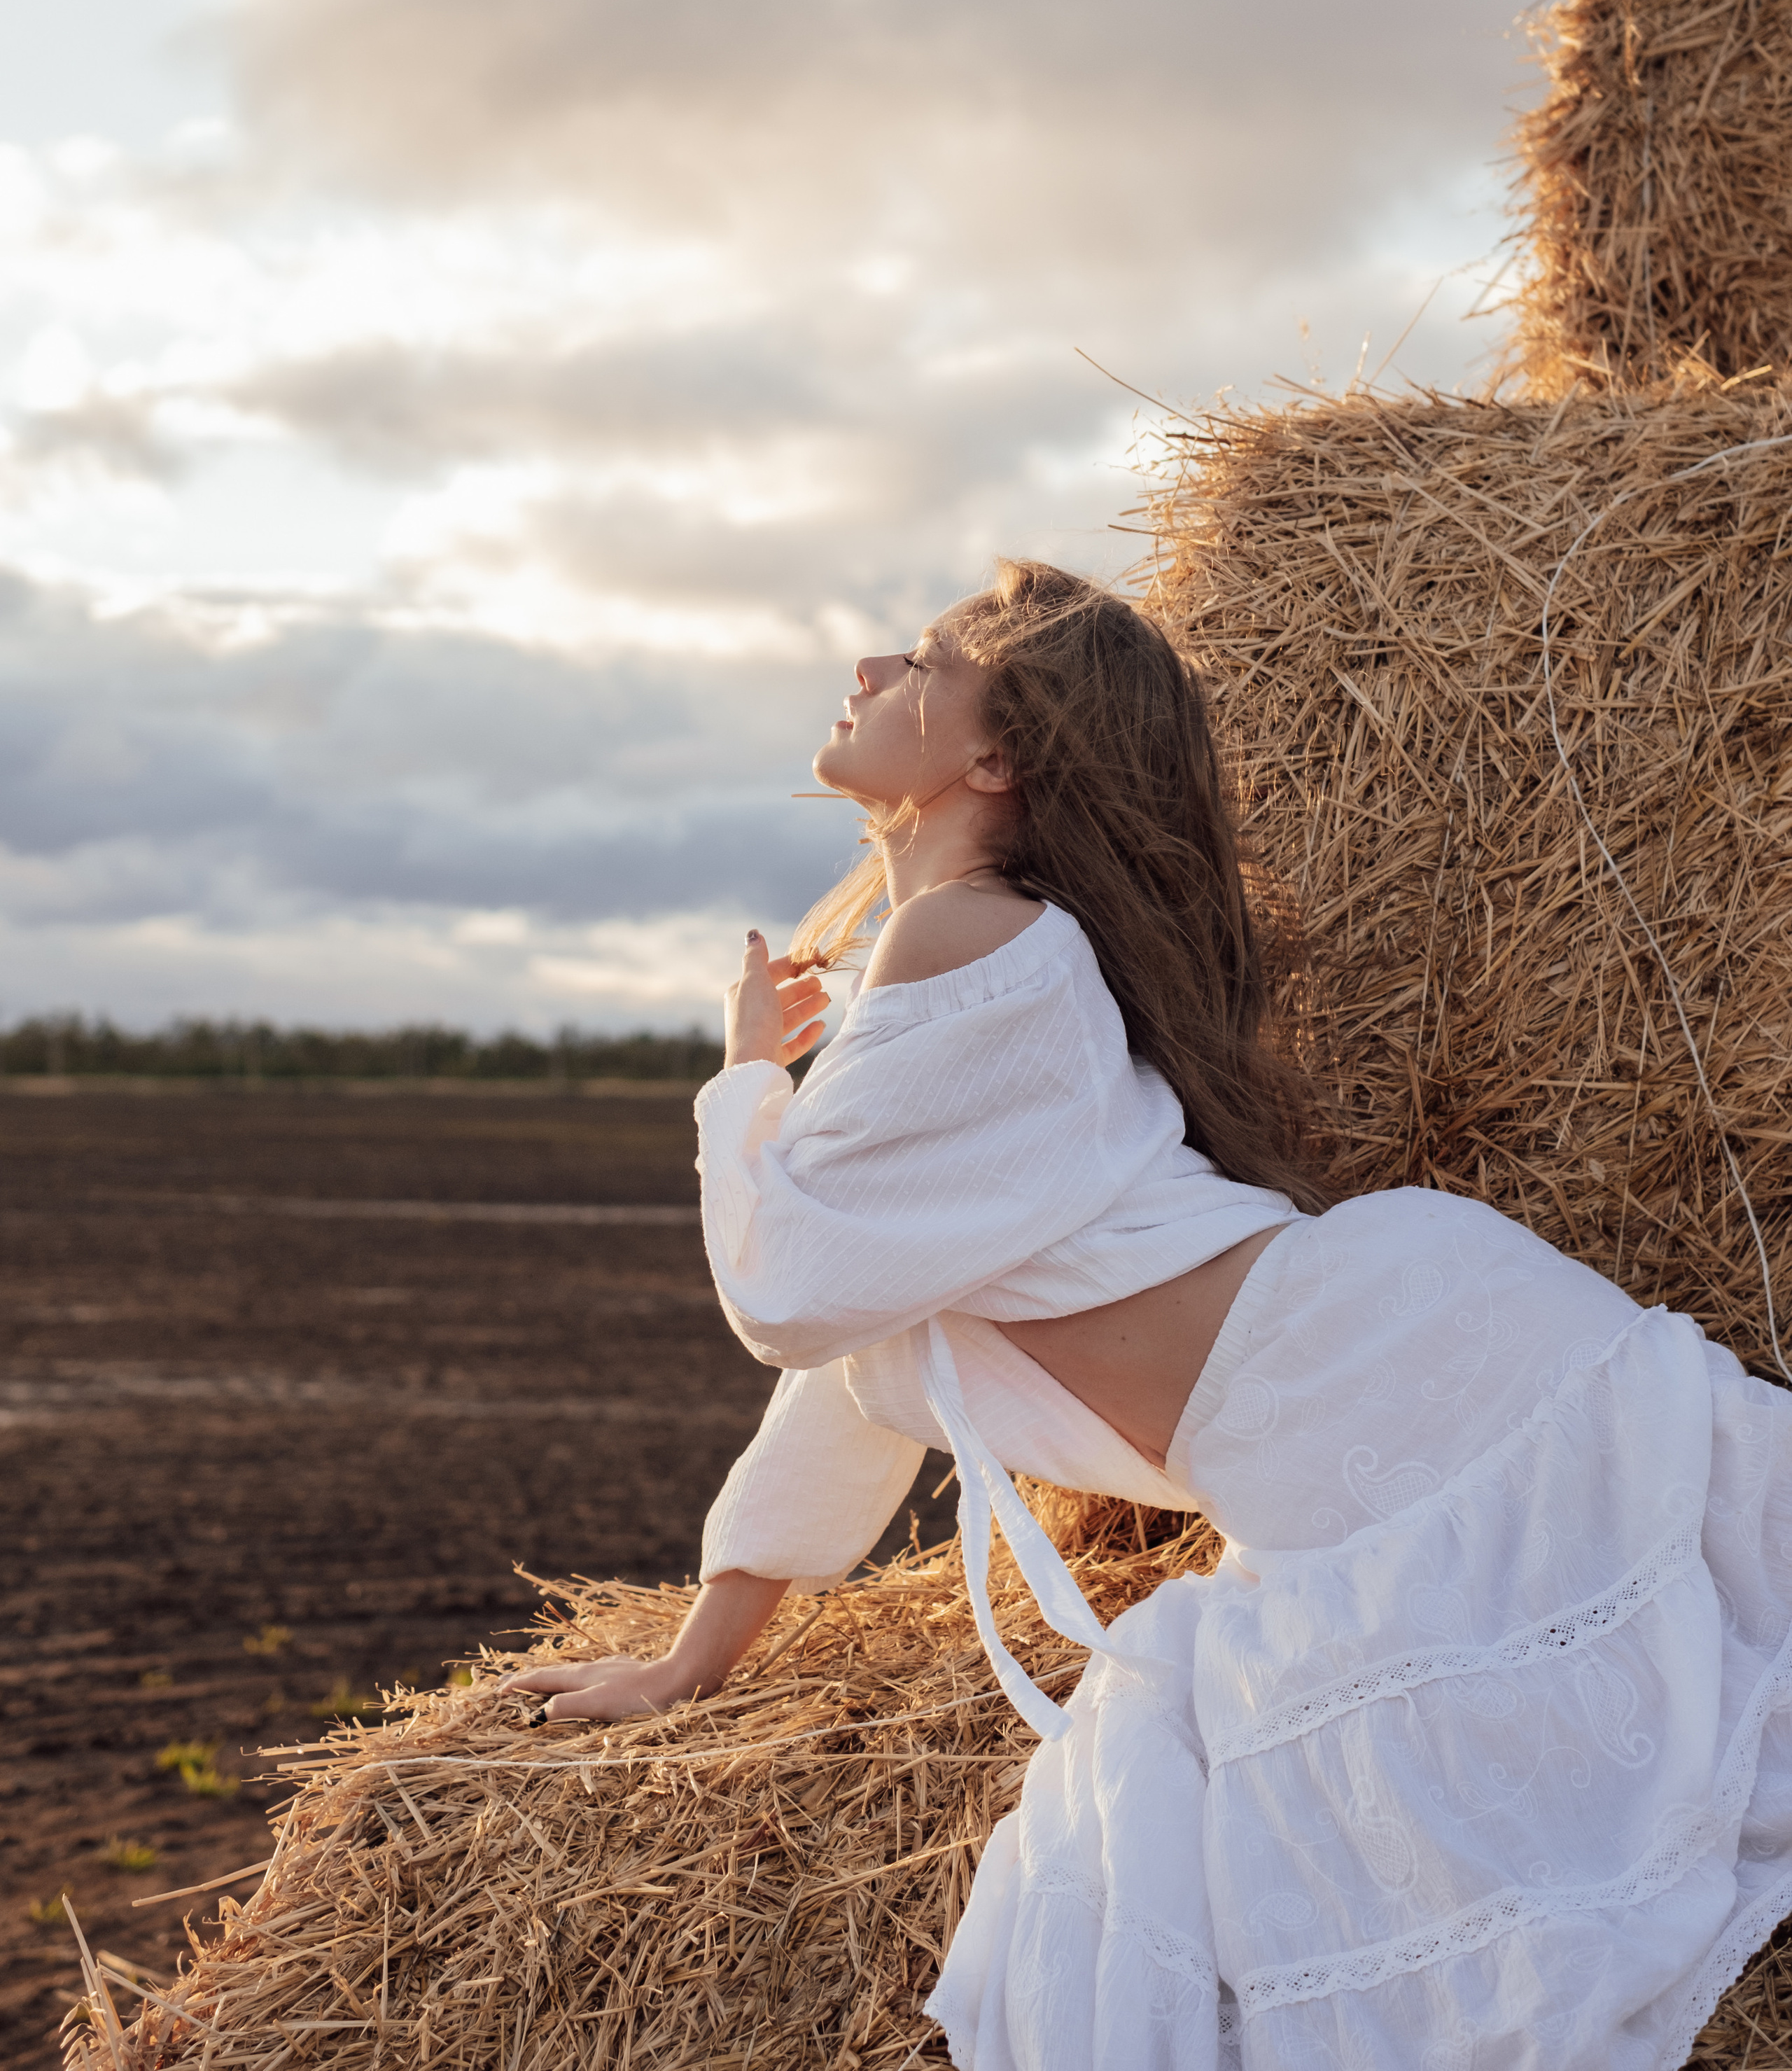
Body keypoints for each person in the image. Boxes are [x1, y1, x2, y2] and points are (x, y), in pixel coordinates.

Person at [505, 561, 1792, 2070]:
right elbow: (852, 1364)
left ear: (991, 760)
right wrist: (689, 1662)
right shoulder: (970, 976)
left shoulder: (975, 939)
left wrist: (741, 1086)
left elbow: (785, 1296)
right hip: (1358, 1391)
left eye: (920, 660)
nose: (863, 666)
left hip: (1399, 1378)